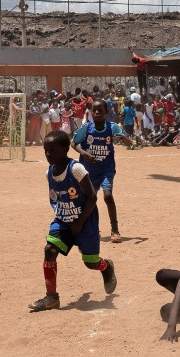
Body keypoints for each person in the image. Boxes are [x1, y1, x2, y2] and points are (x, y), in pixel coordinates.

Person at [30, 130, 117, 312]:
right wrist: (65, 216)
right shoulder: (49, 173)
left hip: (86, 221)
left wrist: (80, 222)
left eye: (52, 150)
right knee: (50, 250)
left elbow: (92, 197)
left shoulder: (76, 169)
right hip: (63, 221)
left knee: (91, 263)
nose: (48, 154)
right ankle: (51, 297)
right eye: (46, 150)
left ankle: (106, 266)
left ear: (65, 149)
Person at [72, 100, 128, 243]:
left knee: (108, 196)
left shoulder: (112, 127)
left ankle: (115, 229)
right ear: (91, 112)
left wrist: (126, 139)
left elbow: (128, 142)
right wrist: (84, 153)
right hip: (88, 172)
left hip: (106, 169)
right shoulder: (86, 128)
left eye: (100, 110)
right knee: (90, 200)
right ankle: (89, 229)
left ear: (106, 112)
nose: (97, 113)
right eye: (94, 110)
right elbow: (73, 143)